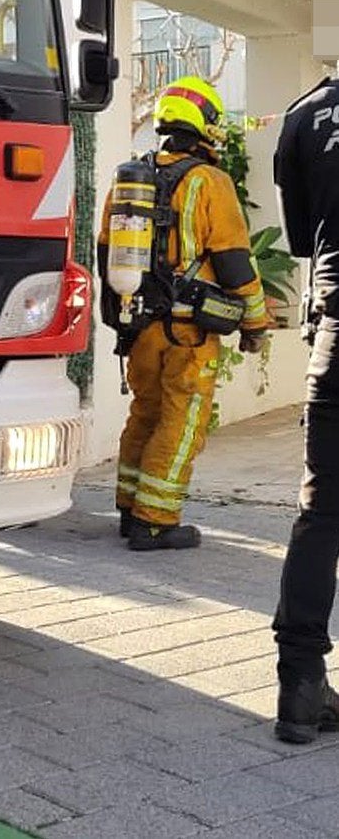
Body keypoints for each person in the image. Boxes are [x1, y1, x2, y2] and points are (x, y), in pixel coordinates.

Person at [99, 76, 270, 550]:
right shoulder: (210, 182)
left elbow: (105, 251)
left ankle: (130, 509)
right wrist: (255, 325)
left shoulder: (129, 177)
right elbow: (235, 261)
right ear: (205, 125)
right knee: (182, 418)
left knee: (145, 411)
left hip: (139, 324)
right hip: (189, 333)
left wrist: (119, 320)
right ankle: (155, 520)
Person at [272, 71, 339, 743]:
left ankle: (299, 688)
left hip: (337, 330)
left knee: (321, 515)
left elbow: (300, 239)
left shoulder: (304, 115)